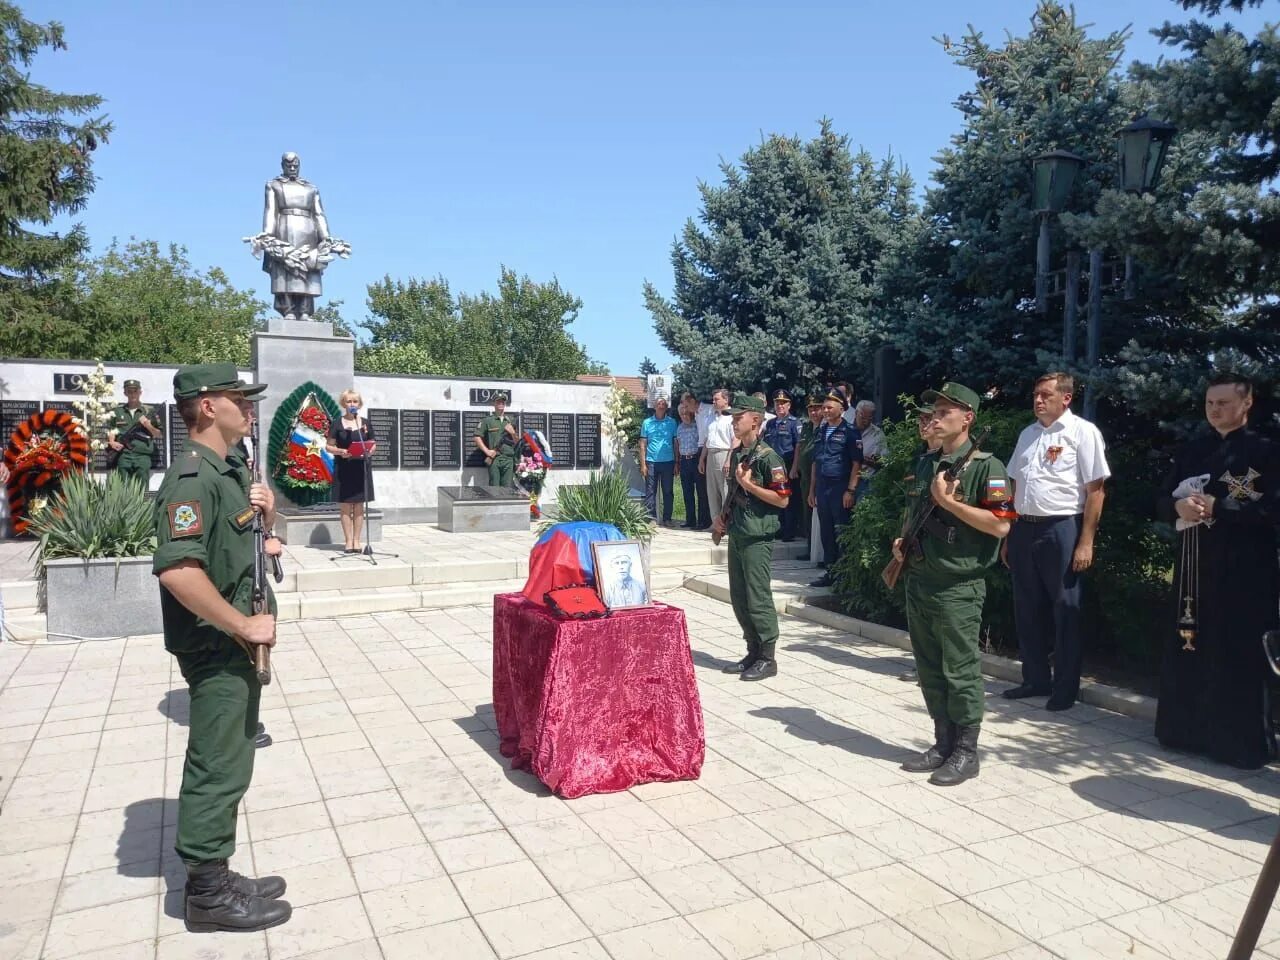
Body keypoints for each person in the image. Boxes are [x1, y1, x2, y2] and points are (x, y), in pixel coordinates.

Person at [152, 362, 291, 932]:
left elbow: (240, 540)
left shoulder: (226, 467)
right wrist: (242, 624)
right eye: (239, 398)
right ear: (207, 406)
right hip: (217, 644)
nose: (250, 406)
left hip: (234, 643)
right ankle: (206, 894)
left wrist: (270, 513)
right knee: (216, 762)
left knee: (233, 755)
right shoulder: (191, 478)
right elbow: (179, 572)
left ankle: (218, 869)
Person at [1155, 374, 1280, 769]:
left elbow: (1273, 513)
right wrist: (1177, 509)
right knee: (1191, 644)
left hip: (1247, 572)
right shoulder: (1193, 451)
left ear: (1246, 404)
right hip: (1195, 567)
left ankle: (1239, 744)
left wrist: (1218, 508)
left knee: (1238, 654)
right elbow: (1160, 498)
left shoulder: (1268, 452)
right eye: (1210, 403)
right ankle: (1184, 732)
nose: (1215, 410)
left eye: (1224, 403)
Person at [894, 383, 1015, 786]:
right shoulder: (928, 464)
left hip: (958, 585)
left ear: (968, 419)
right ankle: (942, 742)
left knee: (960, 667)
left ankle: (966, 750)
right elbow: (914, 511)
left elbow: (1000, 525)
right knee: (928, 665)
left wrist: (949, 503)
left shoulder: (986, 467)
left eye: (947, 411)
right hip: (920, 577)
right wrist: (902, 541)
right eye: (935, 410)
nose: (936, 417)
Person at [1002, 373, 1110, 711]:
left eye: (1045, 395)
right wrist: (1008, 533)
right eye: (1035, 395)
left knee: (1065, 610)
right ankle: (1035, 679)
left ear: (1066, 398)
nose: (1037, 401)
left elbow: (1096, 491)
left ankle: (1064, 688)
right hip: (1023, 529)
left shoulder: (1083, 432)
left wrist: (1086, 541)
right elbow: (1013, 485)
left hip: (1061, 528)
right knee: (1026, 608)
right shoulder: (1028, 434)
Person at [716, 393, 791, 681]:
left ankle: (768, 658)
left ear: (755, 420)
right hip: (738, 530)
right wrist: (721, 518)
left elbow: (783, 500)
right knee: (739, 596)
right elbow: (734, 493)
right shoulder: (738, 453)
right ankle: (752, 650)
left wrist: (750, 485)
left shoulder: (768, 457)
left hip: (758, 535)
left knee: (758, 596)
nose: (734, 422)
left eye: (738, 418)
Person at [260, 152, 330, 320]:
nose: (292, 168)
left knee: (309, 266)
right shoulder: (274, 185)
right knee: (285, 268)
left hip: (308, 229)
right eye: (288, 165)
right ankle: (288, 309)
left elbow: (319, 213)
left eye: (295, 165)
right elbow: (270, 210)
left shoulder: (311, 188)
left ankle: (305, 309)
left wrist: (326, 237)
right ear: (282, 165)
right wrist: (268, 235)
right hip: (284, 227)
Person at [898, 403, 938, 685]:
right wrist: (902, 537)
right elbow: (909, 506)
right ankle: (924, 665)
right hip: (916, 547)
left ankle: (938, 670)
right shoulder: (920, 460)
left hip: (940, 551)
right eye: (920, 420)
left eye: (928, 418)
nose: (923, 424)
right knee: (920, 615)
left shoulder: (950, 461)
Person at [808, 391, 862, 587]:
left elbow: (857, 464)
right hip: (822, 486)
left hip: (840, 487)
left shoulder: (850, 432)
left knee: (841, 530)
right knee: (826, 531)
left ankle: (845, 576)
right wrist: (812, 490)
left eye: (830, 407)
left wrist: (850, 490)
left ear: (842, 409)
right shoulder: (820, 431)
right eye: (824, 407)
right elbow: (816, 462)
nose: (825, 411)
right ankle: (830, 572)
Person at [325, 389, 379, 554]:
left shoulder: (364, 423)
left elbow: (373, 443)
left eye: (355, 402)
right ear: (344, 404)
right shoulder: (337, 423)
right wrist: (341, 451)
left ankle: (357, 540)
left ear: (359, 404)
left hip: (360, 467)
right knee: (346, 506)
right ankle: (348, 541)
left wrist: (369, 450)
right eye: (349, 401)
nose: (352, 404)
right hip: (344, 468)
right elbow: (328, 445)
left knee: (359, 506)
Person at [107, 378, 163, 491]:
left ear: (140, 392)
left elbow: (159, 434)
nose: (133, 394)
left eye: (135, 391)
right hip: (124, 455)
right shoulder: (117, 411)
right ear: (125, 393)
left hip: (142, 456)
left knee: (142, 490)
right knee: (122, 489)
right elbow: (112, 429)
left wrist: (148, 425)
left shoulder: (148, 411)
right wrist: (112, 442)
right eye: (129, 391)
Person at [763, 390, 802, 540]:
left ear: (789, 405)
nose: (780, 406)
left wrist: (794, 467)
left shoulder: (794, 423)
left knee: (788, 498)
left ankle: (789, 531)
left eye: (783, 403)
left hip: (788, 465)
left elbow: (798, 445)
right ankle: (778, 527)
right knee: (775, 496)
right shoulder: (770, 423)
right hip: (773, 466)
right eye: (777, 403)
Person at [793, 393, 824, 562]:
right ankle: (809, 548)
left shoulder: (824, 428)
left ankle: (818, 551)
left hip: (818, 478)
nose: (813, 412)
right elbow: (799, 447)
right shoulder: (806, 427)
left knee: (817, 514)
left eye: (817, 408)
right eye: (811, 409)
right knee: (806, 513)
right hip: (805, 477)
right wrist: (794, 467)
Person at [639, 397, 678, 526]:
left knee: (668, 491)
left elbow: (675, 443)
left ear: (666, 407)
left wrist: (677, 462)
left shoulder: (672, 422)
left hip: (668, 462)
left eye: (663, 404)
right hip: (651, 462)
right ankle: (651, 518)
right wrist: (643, 464)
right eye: (658, 404)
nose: (661, 406)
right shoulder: (647, 423)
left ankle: (667, 518)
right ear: (654, 406)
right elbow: (643, 444)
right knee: (650, 491)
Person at [700, 388, 736, 525]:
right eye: (713, 399)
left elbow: (734, 441)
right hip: (711, 454)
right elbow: (707, 440)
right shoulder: (711, 417)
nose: (713, 401)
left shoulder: (731, 417)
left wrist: (728, 460)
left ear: (726, 400)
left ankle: (726, 524)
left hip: (724, 453)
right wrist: (702, 459)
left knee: (725, 490)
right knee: (712, 491)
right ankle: (716, 524)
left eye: (717, 399)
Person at [675, 402, 708, 529]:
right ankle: (690, 520)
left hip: (696, 460)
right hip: (684, 461)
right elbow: (677, 445)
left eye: (686, 413)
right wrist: (677, 462)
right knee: (687, 493)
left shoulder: (697, 426)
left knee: (701, 492)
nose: (684, 415)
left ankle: (702, 521)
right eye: (681, 414)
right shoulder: (679, 428)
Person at [474, 392, 518, 486]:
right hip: (495, 459)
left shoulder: (510, 421)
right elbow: (477, 437)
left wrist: (513, 433)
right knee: (494, 487)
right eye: (498, 402)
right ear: (494, 403)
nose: (501, 404)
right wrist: (487, 452)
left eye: (502, 402)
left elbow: (517, 443)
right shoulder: (487, 421)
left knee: (507, 488)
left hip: (509, 459)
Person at [852, 401, 887, 501]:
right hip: (845, 478)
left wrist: (869, 461)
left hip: (865, 481)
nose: (865, 421)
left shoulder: (878, 434)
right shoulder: (846, 429)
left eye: (869, 419)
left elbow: (885, 462)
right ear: (856, 413)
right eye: (862, 418)